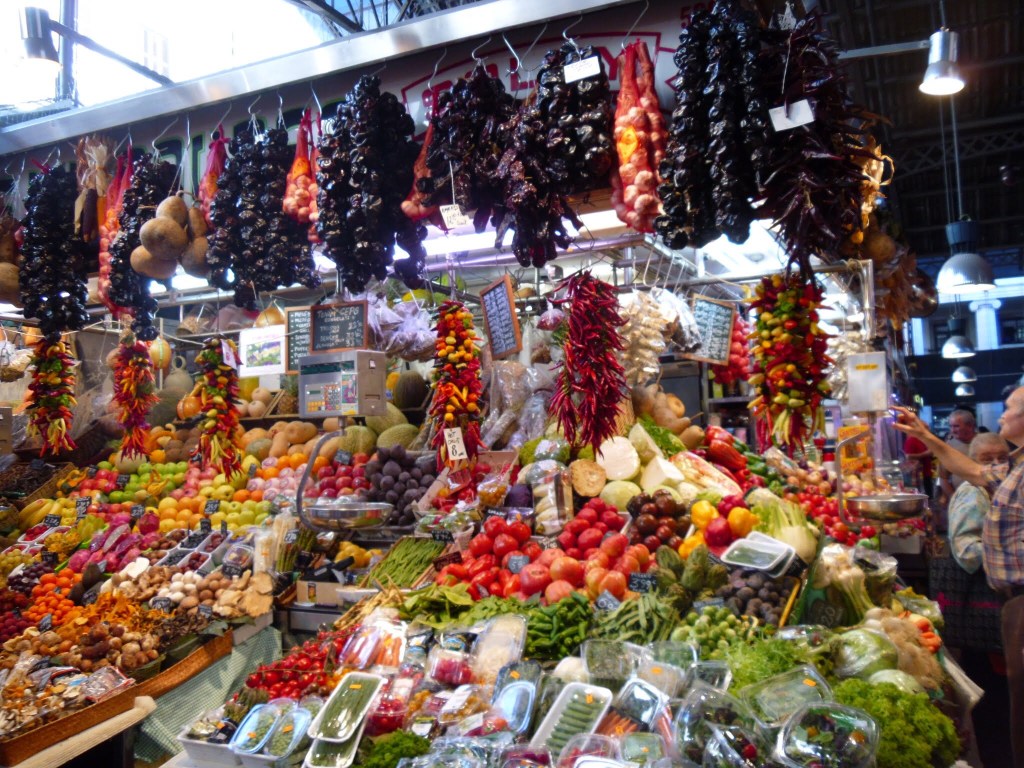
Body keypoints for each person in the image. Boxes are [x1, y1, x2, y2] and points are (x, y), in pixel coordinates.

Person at [894, 386, 1024, 767]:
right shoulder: (1014, 467)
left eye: (1009, 408)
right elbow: (970, 469)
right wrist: (925, 435)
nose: (1000, 416)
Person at [948, 433, 1011, 574]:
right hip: (982, 581)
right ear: (973, 463)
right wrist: (1011, 552)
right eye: (987, 460)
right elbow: (965, 550)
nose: (996, 464)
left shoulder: (1002, 488)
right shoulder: (973, 492)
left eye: (1002, 458)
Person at [938, 408, 978, 503]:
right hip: (960, 499)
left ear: (970, 426)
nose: (952, 430)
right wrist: (953, 497)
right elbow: (943, 476)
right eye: (951, 426)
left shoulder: (985, 442)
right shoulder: (949, 446)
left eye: (956, 426)